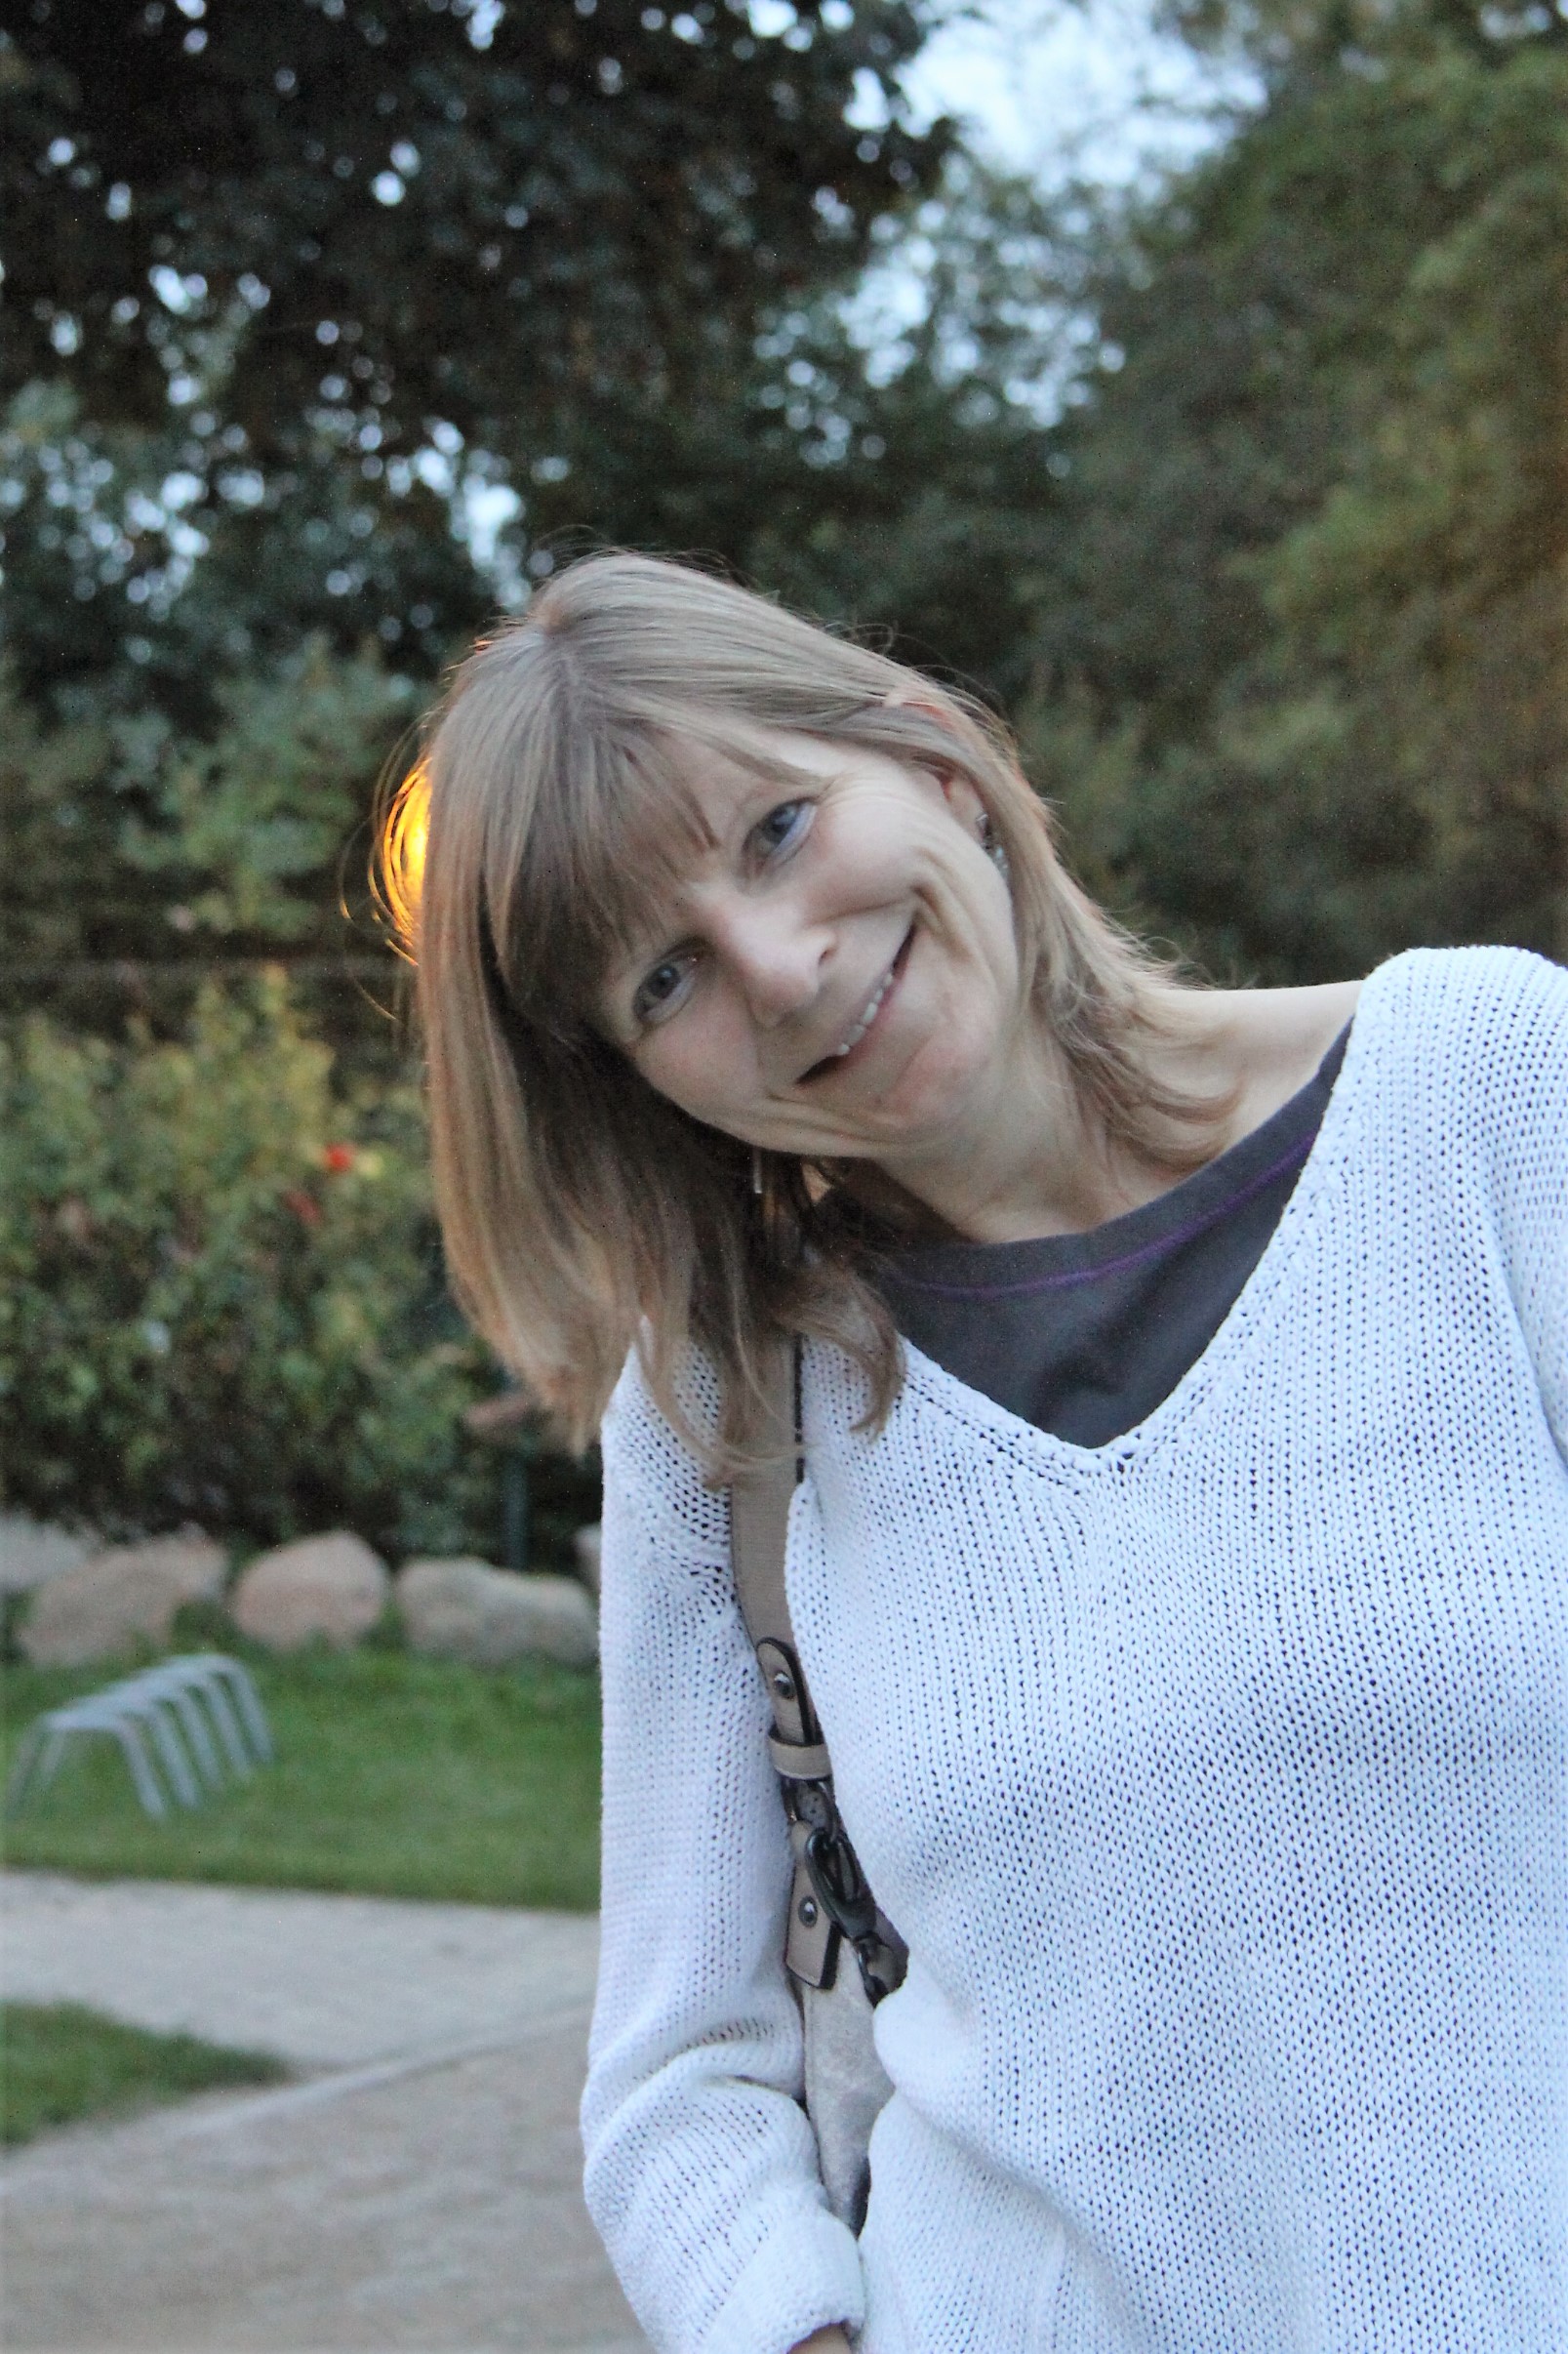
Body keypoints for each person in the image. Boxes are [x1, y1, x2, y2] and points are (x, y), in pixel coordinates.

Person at [391, 550, 1568, 2354]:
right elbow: (680, 2085)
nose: (783, 969)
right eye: (664, 978)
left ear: (930, 754)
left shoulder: (1494, 1098)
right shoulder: (728, 1410)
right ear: (636, 1081)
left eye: (779, 830)